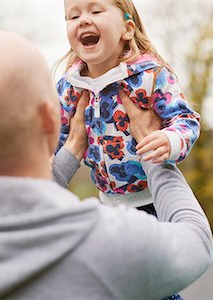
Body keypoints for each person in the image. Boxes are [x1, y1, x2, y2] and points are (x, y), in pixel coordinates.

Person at [0, 29, 213, 300]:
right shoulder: (105, 243)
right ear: (50, 119)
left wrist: (72, 149)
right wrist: (152, 153)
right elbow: (195, 244)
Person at [56, 0, 201, 211]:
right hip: (104, 204)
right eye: (74, 16)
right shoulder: (69, 87)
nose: (84, 20)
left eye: (96, 11)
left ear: (127, 29)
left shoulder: (150, 76)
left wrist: (171, 140)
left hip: (154, 201)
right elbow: (58, 137)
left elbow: (185, 119)